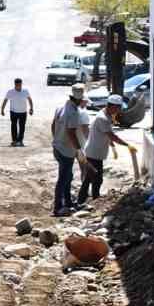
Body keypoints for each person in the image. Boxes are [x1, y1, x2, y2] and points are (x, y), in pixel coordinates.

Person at [78, 94, 133, 204]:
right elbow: (112, 135)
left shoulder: (105, 114)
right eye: (118, 108)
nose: (118, 111)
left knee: (90, 178)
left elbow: (105, 135)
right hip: (94, 153)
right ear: (112, 106)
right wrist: (127, 145)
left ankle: (85, 200)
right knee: (96, 179)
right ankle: (93, 200)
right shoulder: (102, 118)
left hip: (95, 152)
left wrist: (112, 145)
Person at [50, 85, 88, 216]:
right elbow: (71, 132)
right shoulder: (73, 112)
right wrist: (79, 149)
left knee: (68, 176)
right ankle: (57, 207)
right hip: (66, 150)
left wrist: (57, 139)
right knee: (63, 178)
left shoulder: (60, 108)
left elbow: (53, 125)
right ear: (78, 99)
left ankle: (67, 202)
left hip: (58, 147)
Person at [1, 78, 34, 146]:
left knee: (22, 127)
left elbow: (30, 100)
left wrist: (31, 108)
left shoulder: (25, 91)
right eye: (17, 84)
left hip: (23, 112)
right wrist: (2, 109)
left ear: (21, 84)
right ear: (15, 84)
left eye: (20, 84)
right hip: (13, 112)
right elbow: (5, 100)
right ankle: (14, 140)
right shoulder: (10, 92)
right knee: (13, 126)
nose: (19, 86)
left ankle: (20, 140)